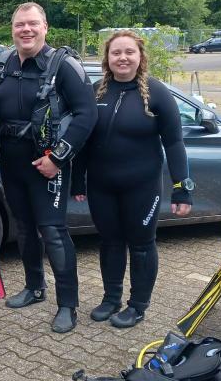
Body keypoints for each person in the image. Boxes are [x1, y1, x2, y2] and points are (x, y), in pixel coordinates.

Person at [0, 2, 96, 333]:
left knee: (53, 233)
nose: (26, 30)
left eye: (33, 24)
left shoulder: (65, 66)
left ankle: (68, 306)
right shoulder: (0, 64)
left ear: (45, 27)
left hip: (48, 164)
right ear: (12, 29)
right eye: (20, 25)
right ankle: (34, 288)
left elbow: (87, 115)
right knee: (24, 228)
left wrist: (57, 158)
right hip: (11, 162)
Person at [72, 30, 193, 328]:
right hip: (102, 185)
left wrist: (182, 189)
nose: (123, 58)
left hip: (142, 185)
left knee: (141, 245)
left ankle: (137, 305)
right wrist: (77, 181)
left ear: (140, 57)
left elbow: (175, 143)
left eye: (129, 52)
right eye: (116, 53)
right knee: (110, 241)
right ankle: (111, 298)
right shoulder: (96, 91)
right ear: (107, 58)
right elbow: (83, 140)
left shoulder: (156, 93)